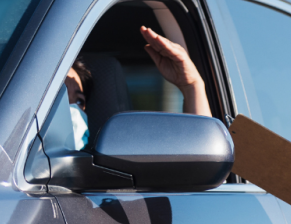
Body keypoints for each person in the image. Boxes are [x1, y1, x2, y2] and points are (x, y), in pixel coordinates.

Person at [64, 25, 211, 149]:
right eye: (60, 99)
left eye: (78, 101)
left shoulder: (99, 180)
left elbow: (204, 166)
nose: (71, 109)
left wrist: (191, 86)